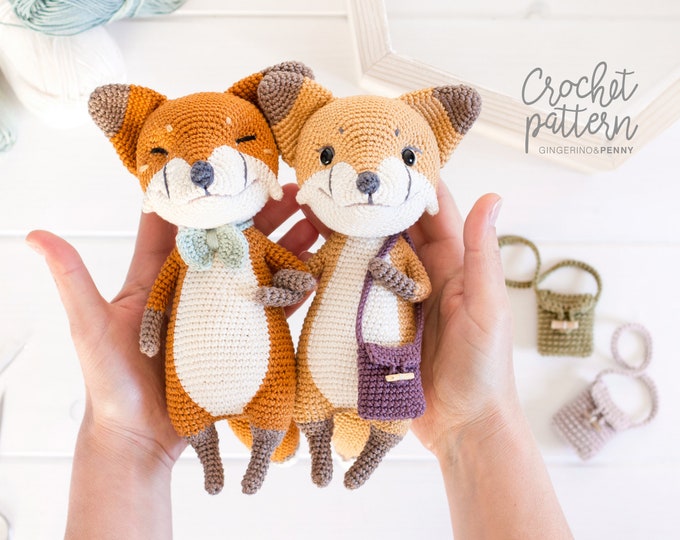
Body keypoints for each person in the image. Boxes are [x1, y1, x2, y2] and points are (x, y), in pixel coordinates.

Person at [26, 182, 573, 539]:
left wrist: (122, 446)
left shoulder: (394, 249)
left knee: (320, 410)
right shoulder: (189, 253)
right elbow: (296, 274)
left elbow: (401, 285)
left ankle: (326, 455)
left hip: (382, 366)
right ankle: (261, 455)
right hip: (211, 375)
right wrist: (149, 339)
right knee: (297, 406)